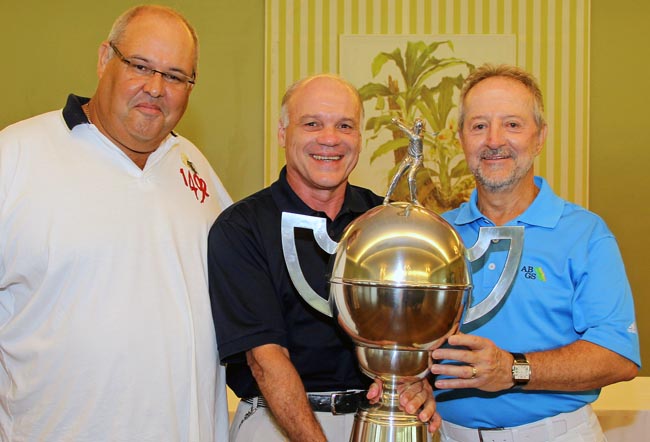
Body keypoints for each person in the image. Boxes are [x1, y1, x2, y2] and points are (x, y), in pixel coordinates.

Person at [0, 5, 232, 441]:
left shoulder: (193, 166)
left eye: (176, 76)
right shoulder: (14, 157)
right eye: (140, 66)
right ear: (105, 58)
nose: (156, 88)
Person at [208, 74, 439, 441]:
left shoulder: (388, 221)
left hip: (377, 418)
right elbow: (266, 361)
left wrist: (415, 385)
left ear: (359, 139)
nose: (330, 139)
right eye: (312, 123)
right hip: (278, 423)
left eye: (344, 125)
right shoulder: (242, 228)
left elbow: (417, 331)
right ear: (283, 134)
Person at [429, 64, 641, 442]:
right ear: (461, 139)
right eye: (478, 126)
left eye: (512, 124)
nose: (494, 140)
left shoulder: (585, 234)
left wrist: (513, 369)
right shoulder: (436, 235)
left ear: (539, 137)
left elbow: (618, 357)